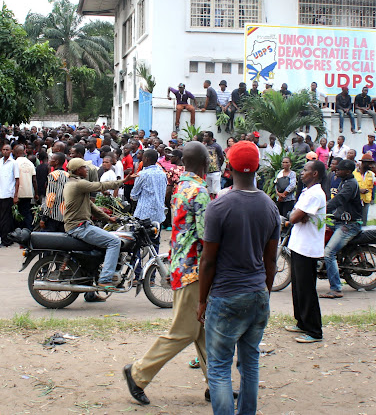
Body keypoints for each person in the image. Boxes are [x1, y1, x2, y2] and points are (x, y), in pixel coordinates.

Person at [123, 142, 211, 406]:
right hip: (194, 271)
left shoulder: (181, 186)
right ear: (205, 164)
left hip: (180, 265)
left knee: (205, 332)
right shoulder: (200, 191)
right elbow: (207, 237)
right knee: (183, 331)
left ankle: (217, 384)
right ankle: (138, 373)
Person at [198, 141, 279, 412]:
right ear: (257, 167)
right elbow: (271, 261)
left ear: (228, 167)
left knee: (219, 368)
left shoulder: (218, 207)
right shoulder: (270, 207)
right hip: (257, 294)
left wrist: (201, 301)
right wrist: (264, 293)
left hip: (226, 295)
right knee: (250, 363)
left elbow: (208, 261)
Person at [63, 158, 128, 290]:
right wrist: (123, 181)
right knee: (114, 242)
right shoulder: (79, 184)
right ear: (77, 170)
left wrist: (109, 219)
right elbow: (101, 186)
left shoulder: (74, 184)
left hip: (79, 225)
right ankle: (105, 280)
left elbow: (91, 206)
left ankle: (90, 292)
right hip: (79, 227)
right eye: (84, 167)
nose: (87, 169)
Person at [285, 159, 327, 344]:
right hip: (298, 244)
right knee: (298, 288)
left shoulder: (315, 194)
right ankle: (301, 322)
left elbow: (294, 216)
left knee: (307, 289)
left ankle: (314, 330)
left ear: (315, 174)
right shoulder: (306, 192)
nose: (302, 173)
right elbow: (297, 215)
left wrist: (295, 216)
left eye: (306, 170)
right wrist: (297, 216)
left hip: (307, 247)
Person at [322, 159, 362, 299]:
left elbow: (338, 200)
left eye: (339, 169)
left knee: (328, 253)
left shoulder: (350, 184)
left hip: (349, 224)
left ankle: (336, 288)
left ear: (348, 171)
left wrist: (323, 209)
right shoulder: (343, 181)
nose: (336, 171)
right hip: (340, 220)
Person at [131, 149, 167, 246]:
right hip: (159, 213)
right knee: (155, 240)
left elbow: (134, 195)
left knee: (138, 242)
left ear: (146, 159)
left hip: (144, 214)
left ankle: (136, 260)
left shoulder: (142, 174)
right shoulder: (162, 174)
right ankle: (154, 260)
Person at [0, 144, 18, 247]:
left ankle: (5, 241)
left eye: (7, 149)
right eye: (4, 149)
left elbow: (17, 180)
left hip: (9, 194)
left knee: (5, 219)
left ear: (11, 151)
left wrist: (15, 195)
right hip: (1, 194)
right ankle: (5, 238)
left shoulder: (13, 163)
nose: (5, 151)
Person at [40, 152, 68, 232]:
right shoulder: (67, 175)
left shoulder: (52, 175)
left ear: (56, 162)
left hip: (53, 215)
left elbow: (51, 197)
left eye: (51, 159)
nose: (49, 161)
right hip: (63, 213)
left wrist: (44, 216)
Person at [14, 145, 37, 229]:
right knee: (27, 212)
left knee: (18, 213)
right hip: (28, 192)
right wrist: (36, 193)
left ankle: (20, 231)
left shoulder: (15, 163)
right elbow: (34, 180)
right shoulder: (30, 163)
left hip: (18, 192)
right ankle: (29, 230)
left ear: (15, 153)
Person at [353, 153, 376, 224]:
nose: (370, 165)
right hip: (355, 200)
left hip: (366, 200)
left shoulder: (371, 174)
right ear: (363, 163)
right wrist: (359, 190)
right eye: (369, 163)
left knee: (364, 221)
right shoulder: (354, 173)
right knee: (355, 220)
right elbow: (350, 186)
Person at [203, 131, 224, 199]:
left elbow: (221, 157)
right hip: (208, 171)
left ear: (210, 137)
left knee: (216, 190)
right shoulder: (204, 147)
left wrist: (219, 166)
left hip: (216, 171)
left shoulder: (216, 146)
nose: (204, 137)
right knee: (209, 190)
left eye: (206, 136)